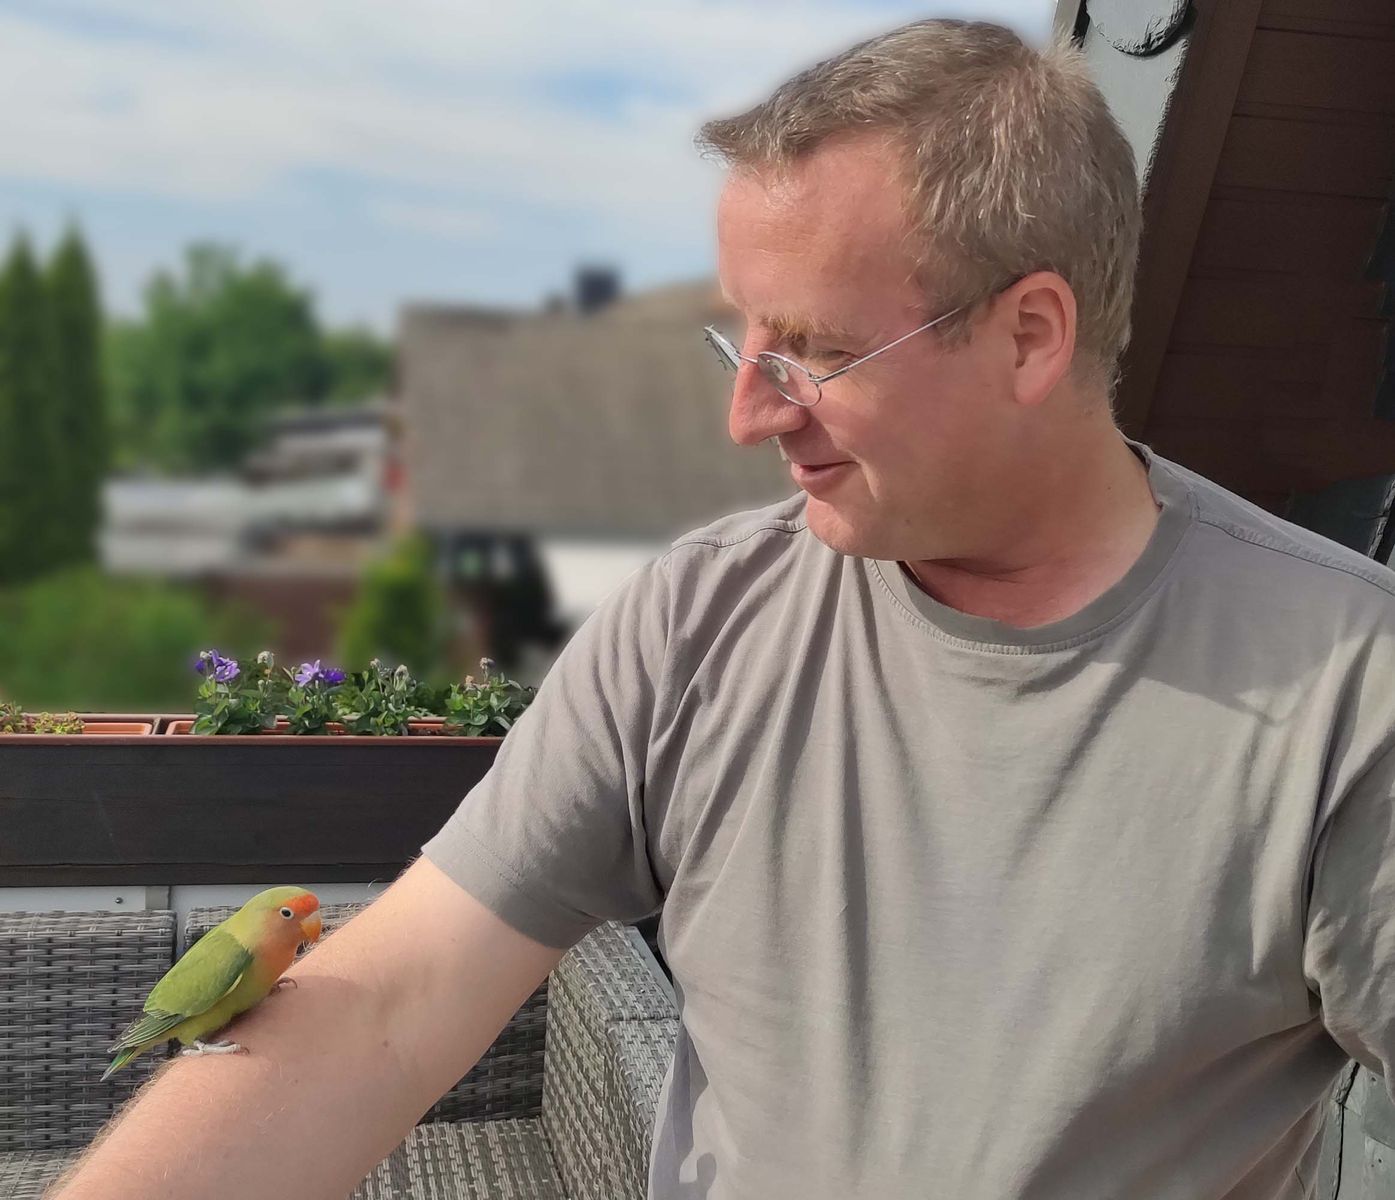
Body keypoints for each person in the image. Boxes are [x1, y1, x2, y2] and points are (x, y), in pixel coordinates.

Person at [49, 17, 1395, 1200]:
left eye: (814, 351)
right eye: (740, 337)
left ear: (1031, 336)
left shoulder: (1349, 688)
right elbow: (389, 1007)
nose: (749, 414)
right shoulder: (697, 620)